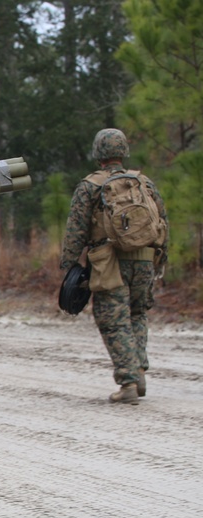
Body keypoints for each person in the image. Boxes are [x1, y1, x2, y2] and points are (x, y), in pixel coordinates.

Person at [61, 128, 168, 405]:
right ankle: (139, 370)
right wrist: (160, 258)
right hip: (145, 258)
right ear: (124, 152)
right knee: (137, 313)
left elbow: (76, 229)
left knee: (112, 319)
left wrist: (70, 265)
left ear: (98, 155)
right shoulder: (144, 182)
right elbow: (162, 221)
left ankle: (128, 381)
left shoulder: (90, 186)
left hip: (109, 261)